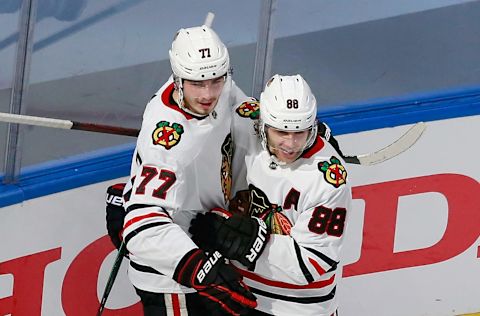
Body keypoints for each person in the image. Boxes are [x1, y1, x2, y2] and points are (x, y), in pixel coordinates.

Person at [106, 24, 258, 316]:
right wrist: (202, 271)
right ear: (178, 79)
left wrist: (290, 131)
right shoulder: (167, 146)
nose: (209, 93)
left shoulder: (208, 77)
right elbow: (141, 228)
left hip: (204, 246)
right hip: (172, 279)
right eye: (198, 84)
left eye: (216, 80)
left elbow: (244, 112)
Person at [189, 74, 352, 316]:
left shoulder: (328, 179)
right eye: (281, 132)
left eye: (301, 132)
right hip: (237, 292)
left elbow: (314, 262)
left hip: (298, 308)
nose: (291, 144)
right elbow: (214, 86)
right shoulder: (245, 120)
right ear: (262, 123)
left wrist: (250, 244)